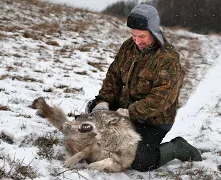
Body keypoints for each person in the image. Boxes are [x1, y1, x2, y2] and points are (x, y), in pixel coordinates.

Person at [85, 4, 202, 172]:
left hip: (152, 121)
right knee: (90, 125)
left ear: (154, 32)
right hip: (123, 110)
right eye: (133, 35)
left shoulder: (167, 59)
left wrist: (129, 113)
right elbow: (114, 76)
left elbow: (160, 100)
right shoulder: (128, 47)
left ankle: (179, 147)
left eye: (142, 36)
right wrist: (103, 101)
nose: (137, 41)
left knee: (139, 160)